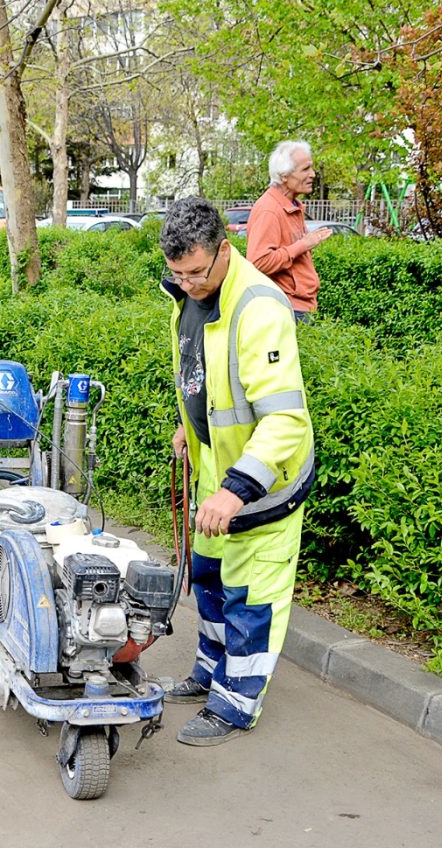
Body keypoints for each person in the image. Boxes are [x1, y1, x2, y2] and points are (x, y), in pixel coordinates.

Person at [157, 197, 315, 746]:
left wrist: (236, 490)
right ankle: (210, 671)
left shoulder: (260, 308)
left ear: (224, 249)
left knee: (250, 595)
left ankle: (236, 703)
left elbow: (285, 420)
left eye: (197, 272)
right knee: (210, 581)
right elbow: (202, 373)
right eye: (177, 273)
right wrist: (190, 427)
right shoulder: (186, 293)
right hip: (216, 471)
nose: (187, 283)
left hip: (262, 484)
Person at [246, 140, 332, 323]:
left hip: (300, 307)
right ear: (284, 175)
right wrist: (303, 245)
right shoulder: (269, 209)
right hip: (286, 309)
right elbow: (258, 262)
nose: (313, 175)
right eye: (305, 169)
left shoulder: (291, 205)